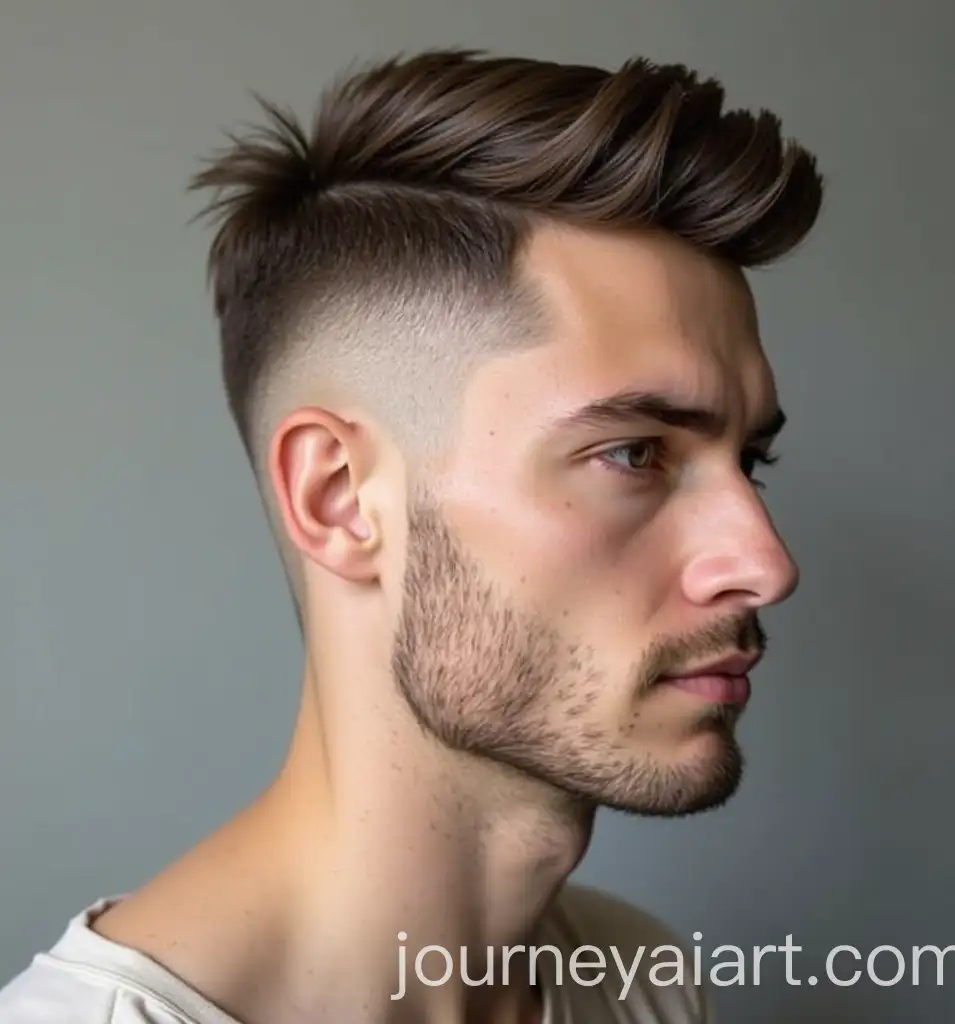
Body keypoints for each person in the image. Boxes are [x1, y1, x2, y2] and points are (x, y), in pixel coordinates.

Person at [0, 48, 823, 1024]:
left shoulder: (641, 976)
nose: (766, 564)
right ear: (341, 497)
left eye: (749, 462)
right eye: (634, 454)